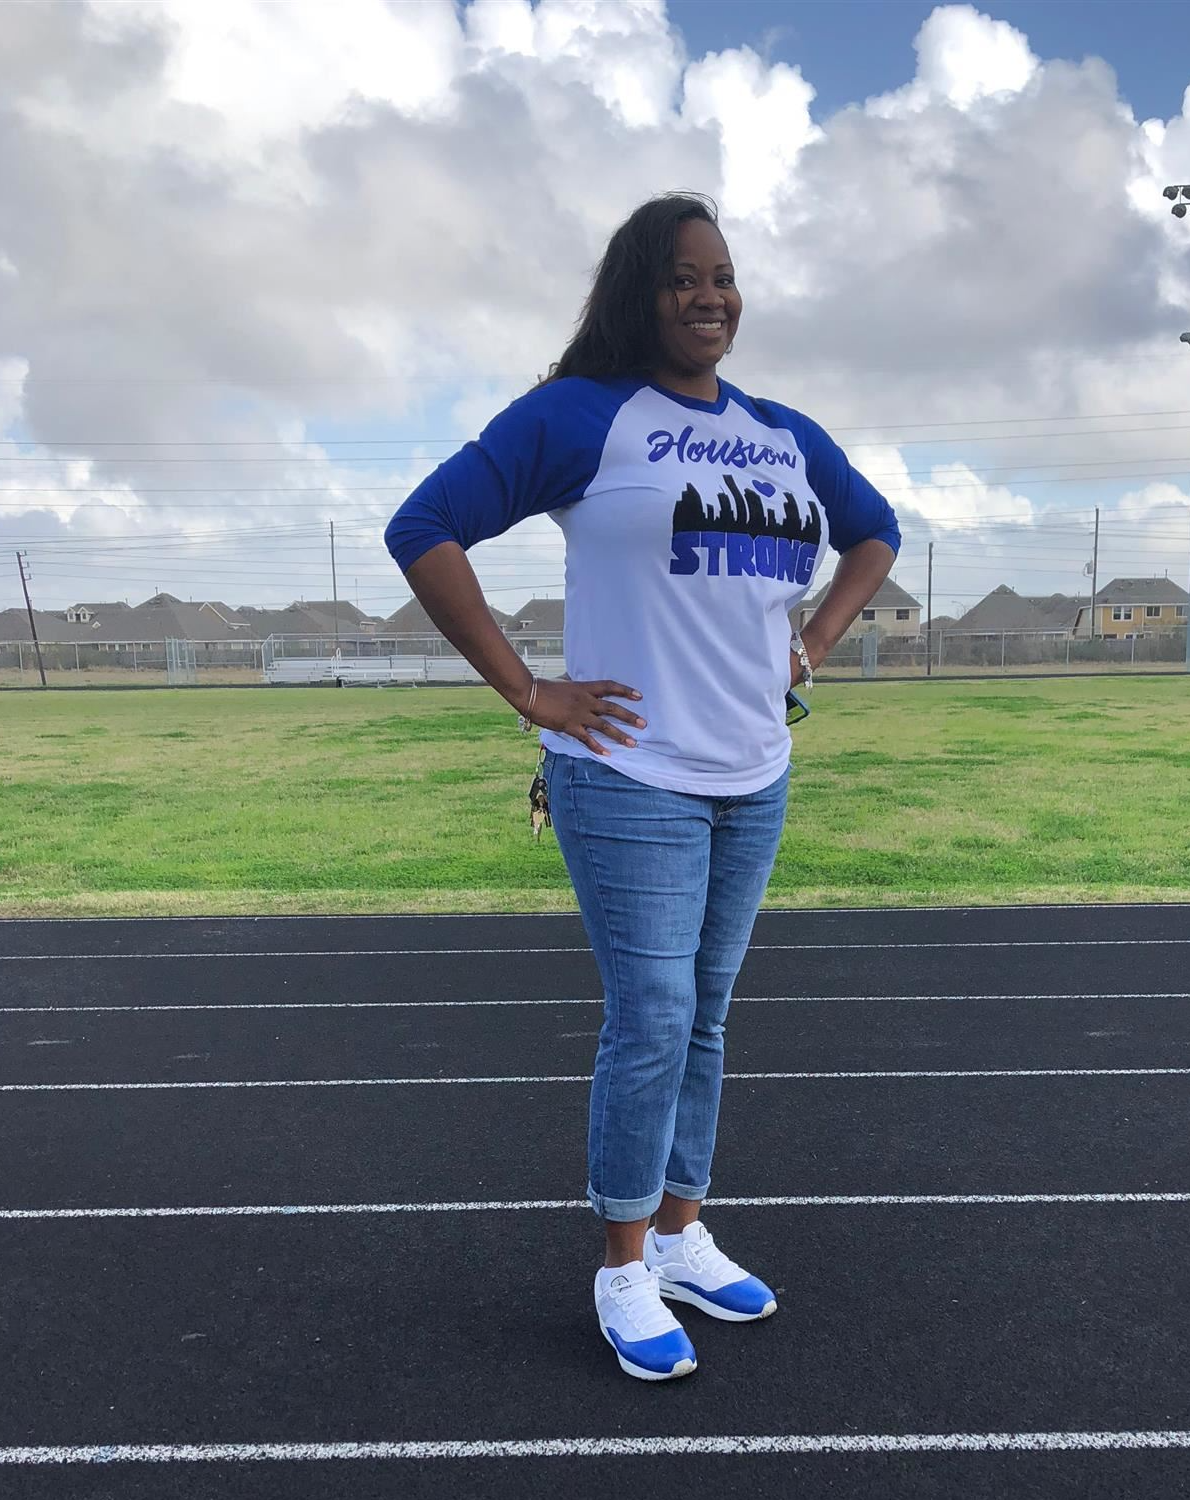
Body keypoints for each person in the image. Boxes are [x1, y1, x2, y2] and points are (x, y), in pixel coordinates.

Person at [384, 192, 900, 1382]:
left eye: (723, 276)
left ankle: (679, 1235)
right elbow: (426, 526)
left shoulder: (781, 432)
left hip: (753, 773)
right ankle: (622, 1261)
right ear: (640, 293)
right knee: (654, 1015)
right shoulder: (584, 415)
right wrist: (530, 690)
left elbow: (873, 531)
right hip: (626, 773)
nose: (710, 296)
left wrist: (816, 639)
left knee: (705, 1014)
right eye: (683, 278)